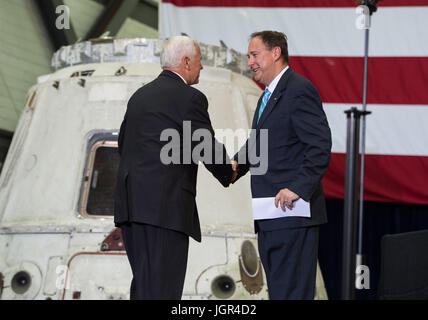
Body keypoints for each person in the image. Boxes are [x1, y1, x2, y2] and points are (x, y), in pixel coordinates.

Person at [114, 35, 237, 300]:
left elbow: (124, 145)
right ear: (186, 62)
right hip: (164, 211)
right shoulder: (189, 98)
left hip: (132, 209)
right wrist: (229, 171)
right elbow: (205, 145)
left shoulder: (139, 96)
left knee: (146, 287)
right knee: (163, 292)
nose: (201, 67)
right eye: (199, 61)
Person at [232, 31, 332, 299]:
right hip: (271, 219)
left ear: (275, 53)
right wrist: (232, 166)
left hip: (292, 216)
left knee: (292, 294)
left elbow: (319, 146)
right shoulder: (267, 97)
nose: (250, 61)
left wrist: (297, 188)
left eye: (255, 55)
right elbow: (260, 145)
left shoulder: (299, 90)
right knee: (280, 293)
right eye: (249, 56)